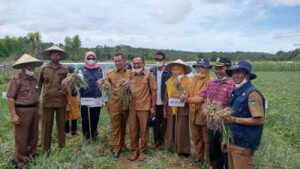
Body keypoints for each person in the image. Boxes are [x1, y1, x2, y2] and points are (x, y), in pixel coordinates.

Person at [181, 57, 234, 169]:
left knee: (225, 151)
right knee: (214, 150)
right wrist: (187, 100)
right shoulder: (212, 84)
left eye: (221, 68)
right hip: (212, 123)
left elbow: (234, 106)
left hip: (226, 125)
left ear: (228, 69)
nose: (218, 71)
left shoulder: (232, 85)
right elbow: (201, 97)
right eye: (217, 68)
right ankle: (213, 165)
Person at [221, 60, 265, 169]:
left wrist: (234, 120)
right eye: (233, 72)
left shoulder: (252, 94)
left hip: (243, 145)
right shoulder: (236, 91)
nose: (235, 75)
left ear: (248, 75)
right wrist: (226, 139)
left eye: (239, 72)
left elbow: (259, 120)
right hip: (233, 142)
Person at [7, 54, 43, 169]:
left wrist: (39, 110)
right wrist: (13, 114)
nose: (32, 68)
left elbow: (37, 97)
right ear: (23, 67)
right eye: (29, 66)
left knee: (34, 136)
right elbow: (10, 97)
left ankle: (31, 157)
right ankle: (21, 162)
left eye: (33, 66)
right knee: (22, 138)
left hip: (34, 110)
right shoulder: (15, 80)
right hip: (22, 111)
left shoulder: (34, 80)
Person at [38, 45, 72, 154]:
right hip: (47, 102)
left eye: (57, 55)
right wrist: (36, 102)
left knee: (61, 126)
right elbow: (39, 86)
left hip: (61, 102)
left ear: (60, 56)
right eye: (53, 54)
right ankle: (45, 150)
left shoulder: (64, 69)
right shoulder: (43, 69)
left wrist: (70, 101)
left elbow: (68, 86)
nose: (55, 56)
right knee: (46, 127)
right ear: (50, 56)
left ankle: (61, 148)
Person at [128, 56, 157, 161]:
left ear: (143, 63)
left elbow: (154, 92)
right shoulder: (130, 75)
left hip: (144, 107)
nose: (136, 65)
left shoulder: (150, 75)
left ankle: (142, 152)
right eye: (134, 63)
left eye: (139, 63)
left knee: (144, 131)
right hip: (133, 107)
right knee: (133, 130)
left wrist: (153, 107)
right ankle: (134, 151)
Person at [188, 58, 214, 164]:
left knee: (207, 140)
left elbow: (204, 98)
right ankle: (199, 157)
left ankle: (208, 161)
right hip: (193, 115)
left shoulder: (211, 81)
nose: (199, 69)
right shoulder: (191, 80)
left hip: (204, 115)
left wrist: (188, 100)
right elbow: (186, 93)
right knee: (196, 138)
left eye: (202, 67)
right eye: (197, 67)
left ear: (207, 69)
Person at [164, 59, 191, 156]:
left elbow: (189, 95)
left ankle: (183, 149)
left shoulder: (188, 81)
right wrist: (165, 109)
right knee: (171, 127)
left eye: (177, 69)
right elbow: (166, 96)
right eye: (173, 70)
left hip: (183, 108)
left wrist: (180, 89)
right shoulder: (169, 81)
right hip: (171, 108)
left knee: (182, 128)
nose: (175, 72)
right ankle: (171, 146)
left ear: (182, 69)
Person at [106, 53, 131, 159]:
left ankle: (123, 144)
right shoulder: (110, 74)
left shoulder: (130, 74)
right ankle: (116, 148)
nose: (117, 63)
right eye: (115, 61)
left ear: (124, 61)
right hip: (114, 105)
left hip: (126, 105)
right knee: (115, 127)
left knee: (123, 126)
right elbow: (105, 89)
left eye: (119, 61)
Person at [78, 51, 104, 142]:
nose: (91, 60)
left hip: (97, 98)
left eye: (93, 58)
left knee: (95, 117)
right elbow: (79, 84)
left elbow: (103, 84)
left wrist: (104, 99)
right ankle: (86, 136)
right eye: (89, 58)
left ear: (96, 59)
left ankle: (93, 134)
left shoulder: (100, 70)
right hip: (86, 98)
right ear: (85, 59)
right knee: (86, 118)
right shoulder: (81, 70)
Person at [149, 51, 172, 149]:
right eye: (156, 60)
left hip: (164, 101)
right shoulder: (152, 70)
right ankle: (156, 141)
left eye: (160, 60)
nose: (158, 61)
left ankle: (162, 141)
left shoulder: (168, 72)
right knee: (155, 122)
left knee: (164, 122)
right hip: (154, 100)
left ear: (164, 60)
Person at [65, 66, 81, 138]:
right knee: (67, 115)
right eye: (70, 72)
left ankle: (74, 130)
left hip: (74, 98)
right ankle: (67, 131)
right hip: (67, 98)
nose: (72, 73)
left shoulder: (75, 78)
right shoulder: (65, 79)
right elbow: (65, 90)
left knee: (75, 115)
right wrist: (68, 100)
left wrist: (78, 98)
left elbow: (78, 88)